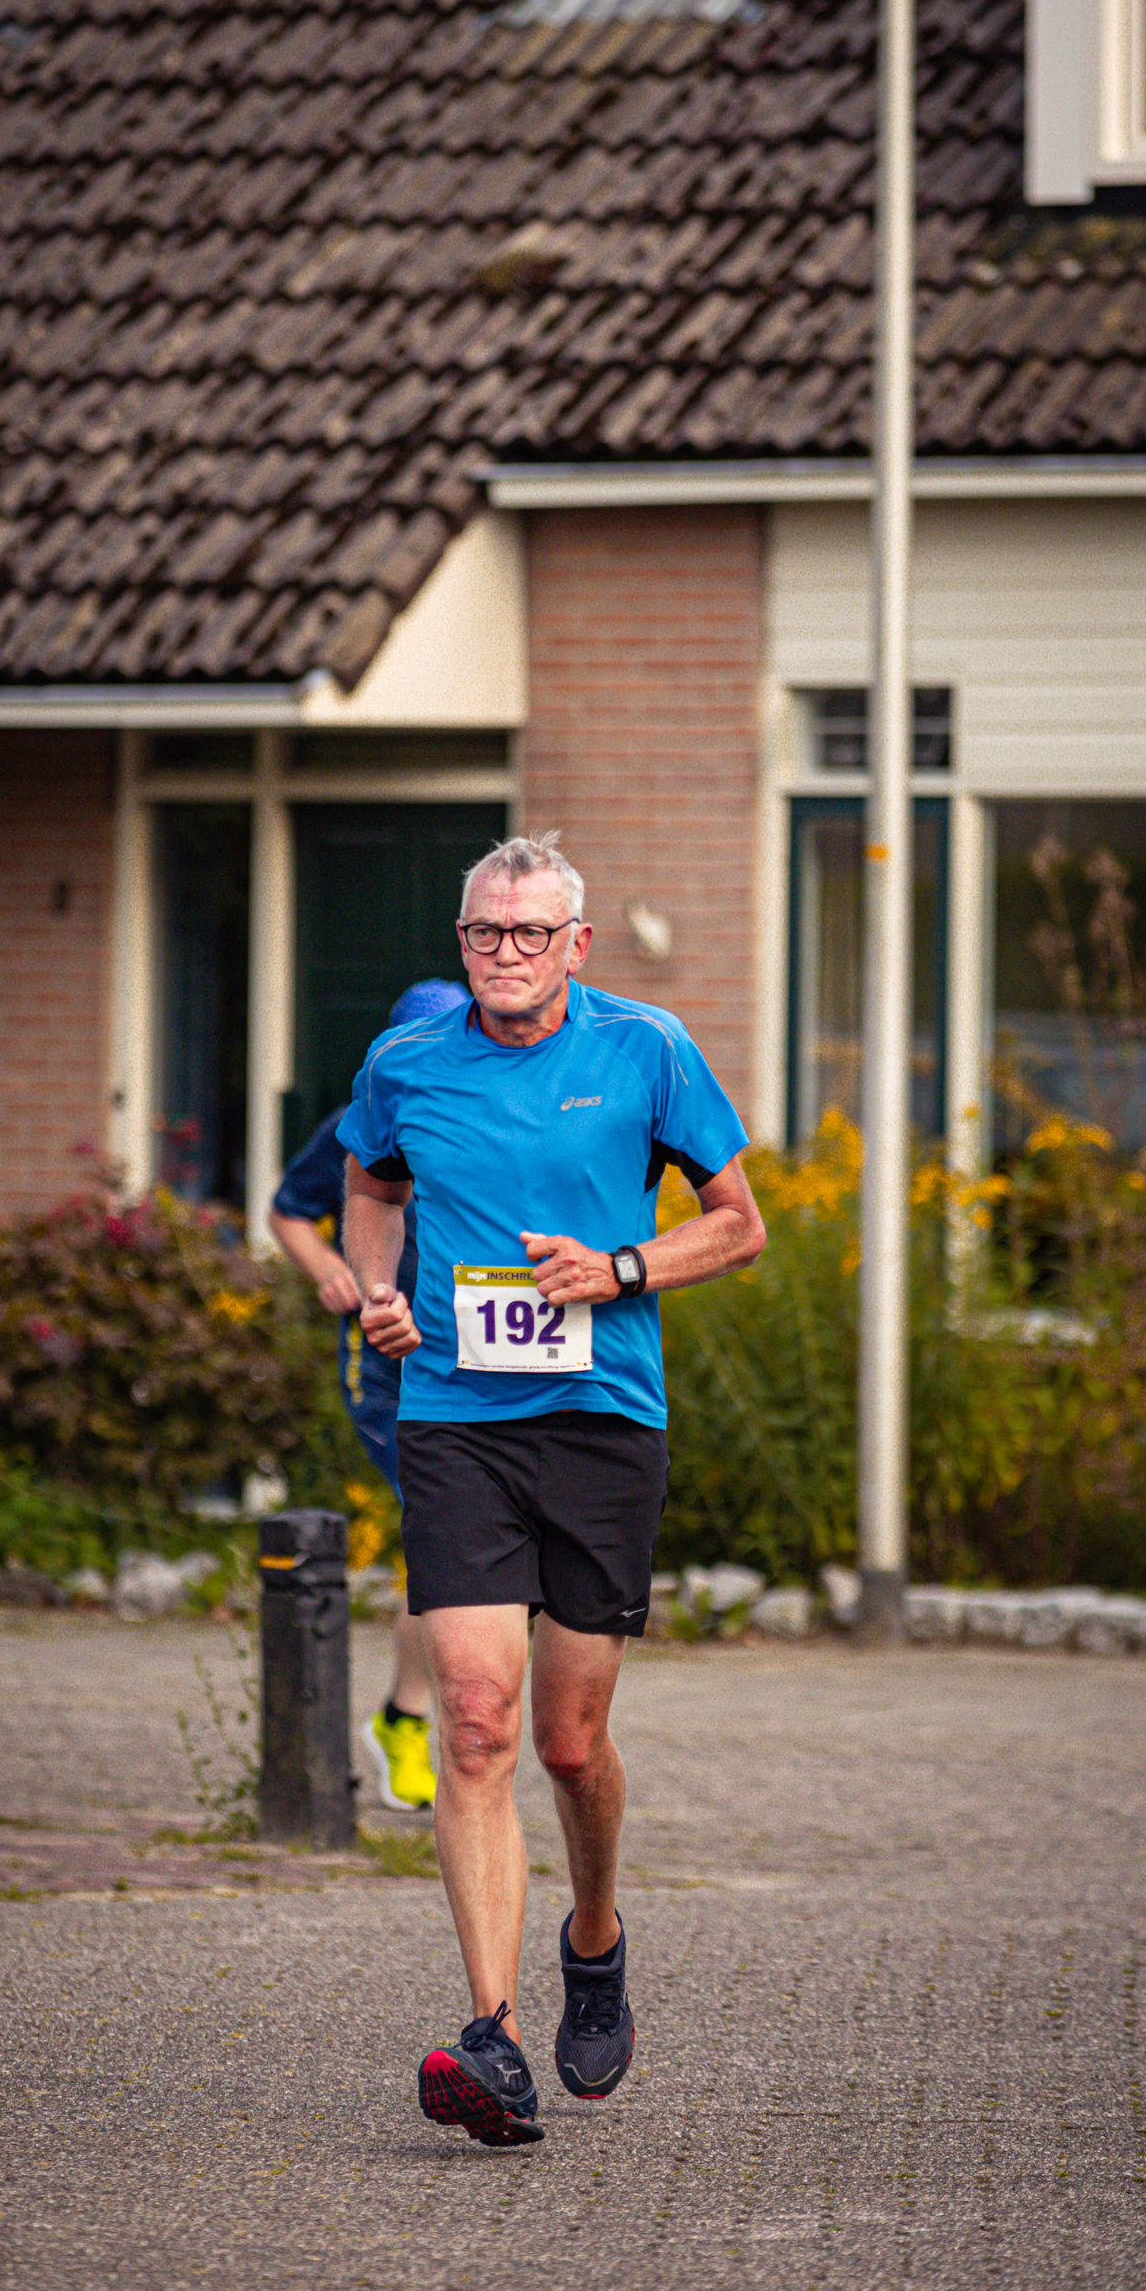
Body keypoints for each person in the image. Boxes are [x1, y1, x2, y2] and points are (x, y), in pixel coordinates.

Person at [338, 831, 765, 2145]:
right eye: (484, 934)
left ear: (576, 944)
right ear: (460, 944)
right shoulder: (406, 1063)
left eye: (531, 935)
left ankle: (595, 1944)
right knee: (473, 1719)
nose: (506, 956)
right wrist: (377, 1293)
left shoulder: (646, 1052)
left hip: (600, 1424)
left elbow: (738, 1223)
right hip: (457, 1419)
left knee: (568, 1745)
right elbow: (367, 1177)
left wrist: (622, 1271)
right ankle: (493, 2036)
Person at [268, 977, 468, 1815]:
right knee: (447, 1530)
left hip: (475, 1357)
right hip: (386, 1366)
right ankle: (416, 1723)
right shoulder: (361, 1122)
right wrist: (335, 1272)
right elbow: (288, 1211)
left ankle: (419, 1716)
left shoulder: (482, 1115)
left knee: (468, 1545)